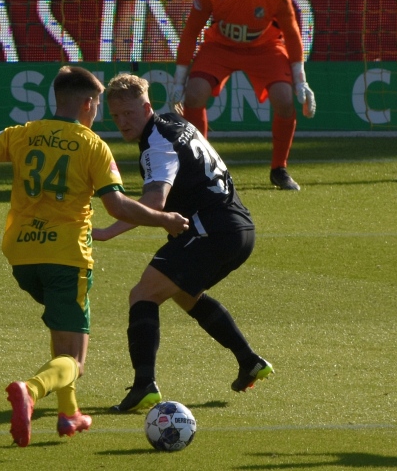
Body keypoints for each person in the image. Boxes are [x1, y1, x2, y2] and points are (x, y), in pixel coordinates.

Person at [0, 66, 189, 446]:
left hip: (22, 255)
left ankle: (69, 414)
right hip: (65, 255)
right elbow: (118, 207)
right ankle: (30, 390)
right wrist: (165, 219)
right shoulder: (92, 145)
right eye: (96, 107)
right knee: (74, 361)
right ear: (87, 104)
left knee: (62, 330)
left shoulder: (22, 134)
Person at [94, 73, 273, 413]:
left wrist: (106, 231)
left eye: (129, 113)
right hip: (239, 228)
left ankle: (144, 385)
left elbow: (154, 203)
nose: (122, 122)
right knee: (183, 294)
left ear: (146, 107)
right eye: (115, 116)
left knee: (143, 294)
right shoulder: (174, 122)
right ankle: (249, 360)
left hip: (211, 229)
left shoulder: (157, 145)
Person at [171, 0, 316, 191]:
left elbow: (293, 34)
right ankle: (201, 167)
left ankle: (279, 169)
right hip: (220, 46)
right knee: (194, 95)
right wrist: (179, 79)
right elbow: (190, 32)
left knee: (284, 99)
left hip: (265, 47)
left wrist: (300, 80)